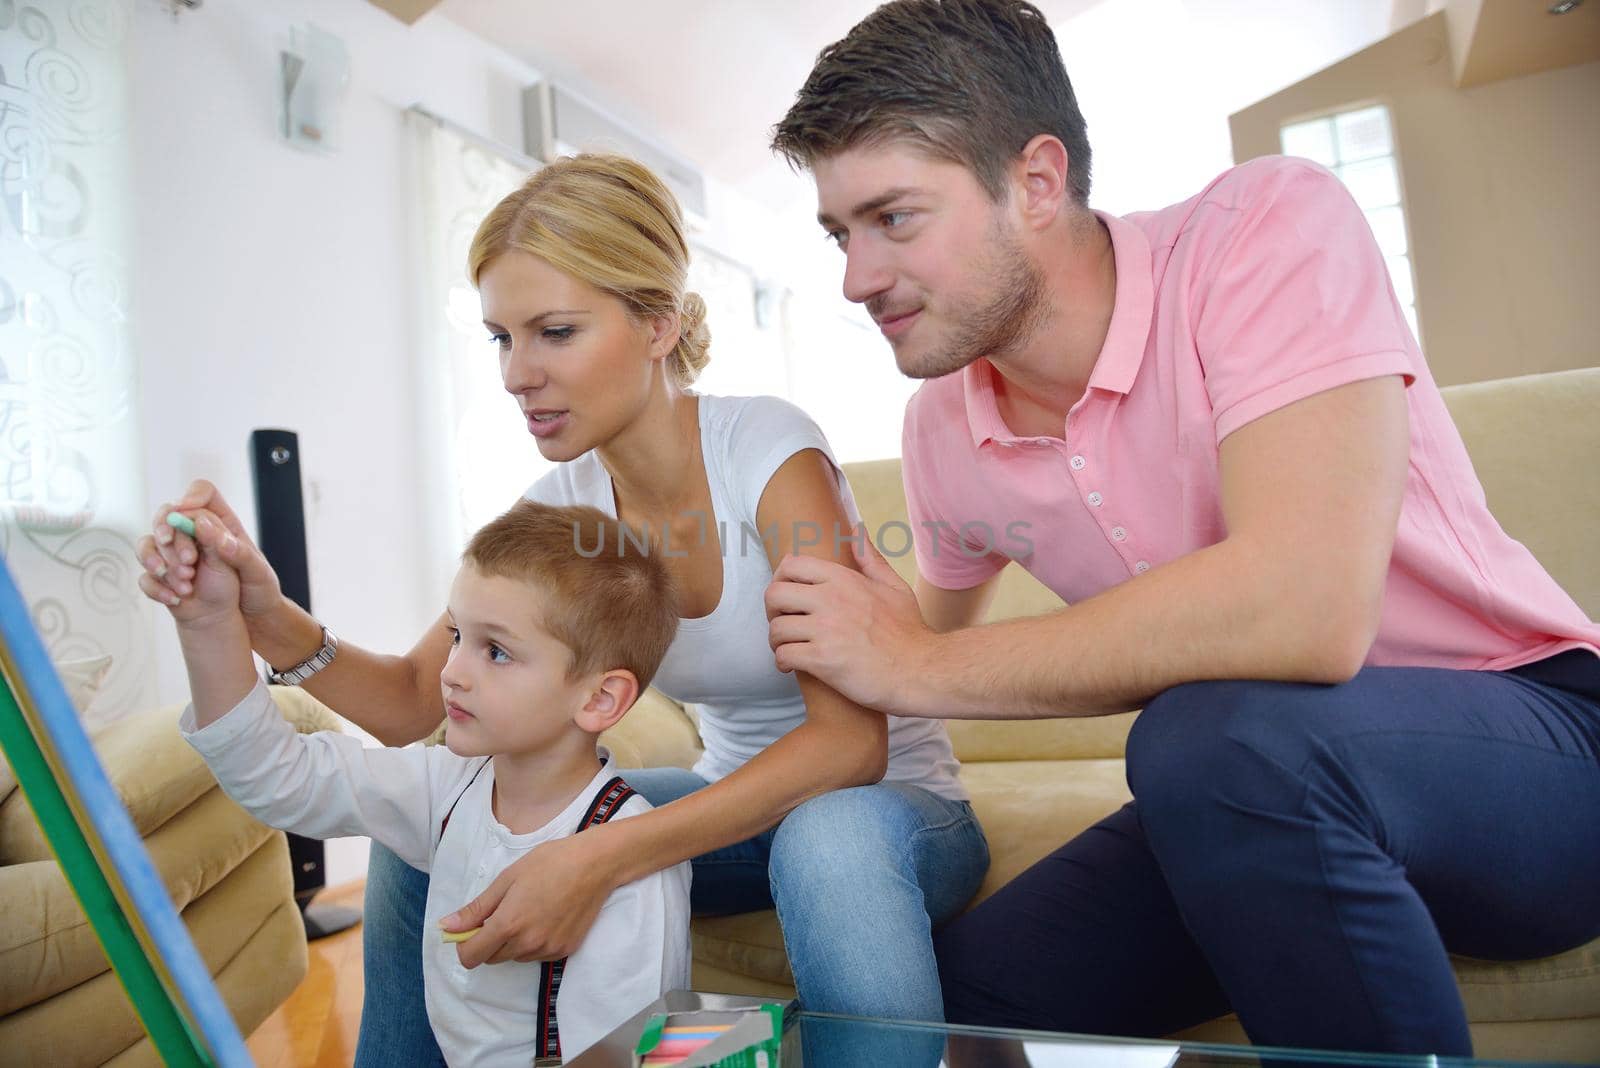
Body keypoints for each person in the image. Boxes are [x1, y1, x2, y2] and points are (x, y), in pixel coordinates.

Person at [763, 0, 1600, 1056]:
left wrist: (914, 662)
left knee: (1209, 737)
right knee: (976, 999)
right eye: (840, 233)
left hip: (1540, 745)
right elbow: (909, 637)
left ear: (1034, 181)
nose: (856, 278)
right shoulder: (941, 426)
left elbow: (1303, 613)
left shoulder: (1264, 229)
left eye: (894, 219)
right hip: (1256, 798)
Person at [137, 154, 987, 1066]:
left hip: (882, 808)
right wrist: (268, 616)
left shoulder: (768, 454)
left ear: (657, 323)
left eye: (554, 332)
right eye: (503, 339)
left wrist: (598, 857)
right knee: (433, 829)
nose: (517, 373)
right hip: (726, 805)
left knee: (827, 840)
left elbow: (850, 746)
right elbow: (412, 703)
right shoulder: (559, 508)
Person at [160, 498, 690, 1064]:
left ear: (599, 698)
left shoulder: (634, 874)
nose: (453, 671)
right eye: (457, 636)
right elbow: (280, 778)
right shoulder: (446, 787)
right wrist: (209, 624)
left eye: (496, 651)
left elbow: (627, 1056)